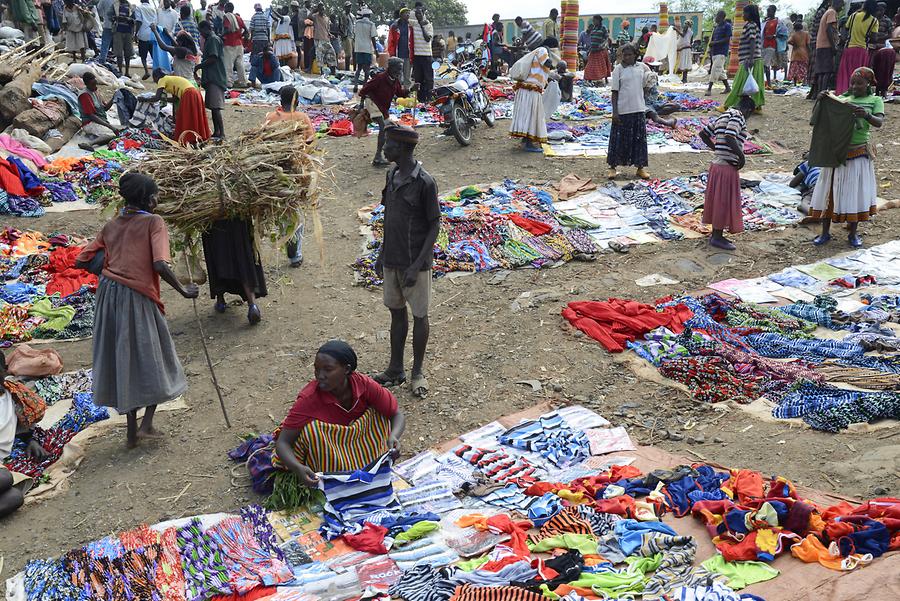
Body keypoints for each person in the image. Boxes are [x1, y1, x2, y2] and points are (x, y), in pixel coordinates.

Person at [75, 173, 198, 448]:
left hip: (109, 295)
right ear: (146, 199)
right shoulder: (154, 222)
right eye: (154, 195)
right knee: (154, 356)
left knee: (124, 357)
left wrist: (111, 266)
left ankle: (132, 432)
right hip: (138, 296)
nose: (157, 200)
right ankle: (146, 425)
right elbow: (160, 265)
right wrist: (183, 290)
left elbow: (82, 258)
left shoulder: (111, 225)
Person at [274, 341, 406, 490]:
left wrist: (393, 436)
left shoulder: (364, 385)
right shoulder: (308, 399)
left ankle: (369, 468)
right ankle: (336, 482)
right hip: (329, 454)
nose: (320, 376)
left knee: (378, 413)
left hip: (358, 444)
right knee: (313, 430)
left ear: (347, 369)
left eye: (328, 369)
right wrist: (298, 468)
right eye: (316, 369)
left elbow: (396, 414)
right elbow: (283, 443)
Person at [372, 125, 439, 399]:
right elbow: (390, 218)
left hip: (414, 263)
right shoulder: (392, 175)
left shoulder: (425, 182)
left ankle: (417, 372)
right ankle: (395, 368)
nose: (384, 148)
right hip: (392, 259)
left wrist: (416, 264)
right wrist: (381, 253)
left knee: (420, 315)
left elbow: (434, 224)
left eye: (388, 145)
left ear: (403, 149)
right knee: (396, 313)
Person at [811, 67, 883, 248]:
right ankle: (825, 233)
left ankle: (853, 233)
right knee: (830, 192)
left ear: (869, 84)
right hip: (835, 152)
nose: (855, 86)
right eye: (852, 83)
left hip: (858, 153)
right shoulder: (842, 99)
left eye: (859, 83)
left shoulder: (875, 100)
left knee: (854, 193)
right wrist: (821, 100)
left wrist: (866, 114)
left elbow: (879, 122)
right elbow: (819, 117)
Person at [264, 86, 314, 268]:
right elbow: (310, 142)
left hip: (273, 171)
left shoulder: (271, 118)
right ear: (297, 101)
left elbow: (262, 141)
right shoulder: (301, 118)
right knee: (295, 211)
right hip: (296, 172)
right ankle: (294, 254)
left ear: (280, 101)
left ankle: (289, 245)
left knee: (281, 210)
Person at [699, 95, 756, 251]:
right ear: (748, 110)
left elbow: (703, 134)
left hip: (717, 165)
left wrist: (716, 149)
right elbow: (730, 136)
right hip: (726, 168)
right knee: (723, 202)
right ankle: (717, 237)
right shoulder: (738, 117)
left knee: (718, 201)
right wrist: (741, 156)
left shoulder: (725, 115)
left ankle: (717, 234)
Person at [360, 57, 414, 166]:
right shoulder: (380, 78)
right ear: (390, 68)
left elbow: (400, 93)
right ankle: (378, 157)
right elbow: (364, 90)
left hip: (383, 108)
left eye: (400, 69)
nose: (399, 72)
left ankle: (389, 153)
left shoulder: (395, 81)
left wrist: (411, 89)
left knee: (390, 127)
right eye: (397, 69)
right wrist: (361, 105)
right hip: (372, 102)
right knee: (383, 127)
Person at [608, 44, 650, 181]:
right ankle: (613, 167)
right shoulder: (618, 70)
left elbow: (646, 86)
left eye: (629, 55)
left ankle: (640, 168)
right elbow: (614, 92)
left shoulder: (642, 68)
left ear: (635, 55)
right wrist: (615, 112)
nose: (626, 57)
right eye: (624, 55)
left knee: (638, 141)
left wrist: (645, 99)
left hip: (638, 109)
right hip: (623, 110)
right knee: (618, 140)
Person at [510, 38, 557, 152]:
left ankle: (526, 140)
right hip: (530, 90)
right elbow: (547, 63)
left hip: (527, 89)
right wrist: (556, 59)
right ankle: (528, 143)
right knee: (531, 116)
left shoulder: (536, 52)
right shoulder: (542, 50)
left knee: (526, 115)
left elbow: (541, 69)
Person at [724, 4, 765, 112]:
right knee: (756, 84)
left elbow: (752, 41)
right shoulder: (754, 25)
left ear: (750, 14)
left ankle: (727, 105)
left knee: (739, 84)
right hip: (755, 59)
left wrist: (750, 58)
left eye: (744, 12)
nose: (743, 15)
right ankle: (757, 106)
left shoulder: (750, 25)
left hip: (749, 60)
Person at [152, 69, 210, 144]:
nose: (155, 82)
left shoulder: (162, 79)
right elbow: (174, 99)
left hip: (188, 94)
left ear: (156, 77)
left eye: (154, 79)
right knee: (195, 116)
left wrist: (143, 99)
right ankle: (197, 137)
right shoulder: (171, 80)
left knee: (185, 117)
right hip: (195, 93)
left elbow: (156, 97)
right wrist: (163, 98)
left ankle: (188, 138)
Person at [837, 0, 877, 94]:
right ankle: (857, 95)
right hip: (862, 51)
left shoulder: (854, 16)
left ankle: (843, 92)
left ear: (864, 5)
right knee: (860, 76)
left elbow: (846, 30)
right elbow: (874, 38)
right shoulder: (874, 21)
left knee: (846, 73)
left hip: (850, 49)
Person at [195, 19, 227, 140]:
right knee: (213, 108)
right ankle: (217, 131)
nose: (201, 34)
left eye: (201, 31)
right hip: (212, 77)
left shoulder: (213, 39)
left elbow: (213, 58)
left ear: (205, 29)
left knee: (216, 107)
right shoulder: (211, 39)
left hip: (215, 77)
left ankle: (222, 133)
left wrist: (199, 66)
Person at [77, 72, 121, 151]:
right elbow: (91, 116)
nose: (95, 86)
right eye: (92, 84)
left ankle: (99, 139)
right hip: (89, 123)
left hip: (98, 121)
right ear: (87, 84)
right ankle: (89, 144)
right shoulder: (85, 95)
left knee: (116, 133)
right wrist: (109, 126)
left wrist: (114, 98)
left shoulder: (95, 92)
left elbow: (104, 108)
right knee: (111, 134)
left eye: (95, 84)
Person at [815, 0, 844, 94]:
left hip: (820, 45)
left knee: (822, 72)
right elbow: (829, 29)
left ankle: (820, 92)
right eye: (842, 5)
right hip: (826, 45)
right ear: (838, 3)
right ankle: (823, 93)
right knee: (827, 71)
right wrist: (833, 46)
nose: (842, 8)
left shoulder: (827, 12)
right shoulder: (832, 12)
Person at [870, 2, 894, 97]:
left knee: (883, 69)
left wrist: (879, 38)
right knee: (873, 68)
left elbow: (890, 34)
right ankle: (875, 90)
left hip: (882, 47)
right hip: (872, 47)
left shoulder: (887, 21)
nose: (880, 11)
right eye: (879, 9)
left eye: (882, 9)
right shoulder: (871, 19)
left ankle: (883, 91)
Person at [221, 3, 248, 87]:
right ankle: (243, 82)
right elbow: (246, 30)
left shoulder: (227, 17)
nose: (224, 10)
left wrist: (220, 36)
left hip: (229, 44)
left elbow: (227, 29)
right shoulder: (239, 18)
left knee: (228, 64)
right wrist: (240, 36)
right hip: (239, 44)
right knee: (240, 64)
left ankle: (229, 83)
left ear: (228, 8)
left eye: (225, 8)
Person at [411, 3, 433, 101]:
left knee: (428, 79)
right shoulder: (413, 23)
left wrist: (422, 26)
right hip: (416, 55)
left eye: (420, 13)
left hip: (426, 55)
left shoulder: (428, 25)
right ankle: (420, 99)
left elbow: (427, 39)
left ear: (423, 13)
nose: (418, 15)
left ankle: (429, 98)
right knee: (418, 79)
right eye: (416, 13)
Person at [706, 11, 732, 96]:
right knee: (720, 70)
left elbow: (727, 39)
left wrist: (715, 43)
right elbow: (712, 39)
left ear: (721, 16)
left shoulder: (727, 26)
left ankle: (709, 88)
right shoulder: (716, 27)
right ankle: (727, 87)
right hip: (715, 52)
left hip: (722, 51)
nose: (715, 18)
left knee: (714, 69)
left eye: (716, 16)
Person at [353, 7, 377, 92]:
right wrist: (376, 51)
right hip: (367, 49)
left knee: (358, 68)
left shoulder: (357, 23)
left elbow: (355, 34)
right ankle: (364, 86)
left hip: (358, 48)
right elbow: (373, 38)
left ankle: (355, 85)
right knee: (367, 70)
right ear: (369, 15)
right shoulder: (371, 24)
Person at [388, 8, 413, 86]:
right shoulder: (395, 26)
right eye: (406, 13)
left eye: (409, 13)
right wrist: (391, 53)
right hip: (398, 54)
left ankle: (406, 92)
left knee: (407, 75)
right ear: (401, 15)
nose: (408, 15)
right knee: (397, 75)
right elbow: (390, 40)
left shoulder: (411, 26)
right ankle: (397, 91)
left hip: (408, 54)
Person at [762, 5, 786, 86]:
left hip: (771, 45)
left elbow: (784, 34)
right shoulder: (765, 21)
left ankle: (768, 83)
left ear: (774, 11)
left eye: (769, 11)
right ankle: (764, 82)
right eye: (767, 11)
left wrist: (774, 36)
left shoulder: (778, 22)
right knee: (762, 64)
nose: (768, 13)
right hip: (763, 44)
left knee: (766, 64)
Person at [111, 0, 135, 78]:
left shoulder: (131, 6)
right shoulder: (115, 5)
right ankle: (120, 71)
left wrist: (128, 20)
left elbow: (134, 20)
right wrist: (115, 18)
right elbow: (110, 16)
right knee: (119, 53)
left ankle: (127, 72)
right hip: (118, 30)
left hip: (128, 31)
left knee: (128, 53)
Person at [133, 0, 157, 80]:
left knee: (143, 56)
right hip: (152, 34)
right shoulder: (153, 8)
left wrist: (136, 34)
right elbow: (155, 22)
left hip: (143, 34)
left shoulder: (139, 8)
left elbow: (139, 21)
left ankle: (146, 71)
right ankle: (156, 73)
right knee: (154, 56)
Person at [584, 15, 611, 85]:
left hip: (600, 51)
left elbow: (606, 38)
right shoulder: (593, 28)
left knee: (602, 66)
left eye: (594, 20)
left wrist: (603, 45)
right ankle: (589, 79)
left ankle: (605, 79)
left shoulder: (603, 28)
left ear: (598, 20)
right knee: (589, 66)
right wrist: (589, 49)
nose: (593, 22)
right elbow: (592, 39)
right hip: (593, 50)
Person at [311, 2, 336, 72]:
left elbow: (327, 30)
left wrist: (330, 34)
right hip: (318, 39)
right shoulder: (315, 16)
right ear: (318, 9)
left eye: (322, 8)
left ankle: (333, 72)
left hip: (326, 39)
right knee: (320, 57)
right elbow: (308, 17)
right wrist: (314, 10)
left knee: (331, 54)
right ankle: (321, 72)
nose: (322, 10)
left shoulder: (326, 18)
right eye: (320, 8)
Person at [673, 19, 693, 84]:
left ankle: (684, 79)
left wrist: (676, 30)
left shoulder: (686, 28)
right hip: (687, 48)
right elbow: (690, 42)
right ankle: (684, 79)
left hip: (685, 48)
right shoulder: (691, 32)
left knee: (684, 63)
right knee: (686, 63)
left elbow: (683, 35)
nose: (684, 26)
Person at [336, 1, 354, 71]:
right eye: (347, 7)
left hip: (352, 35)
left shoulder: (352, 16)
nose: (349, 8)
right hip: (346, 36)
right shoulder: (343, 16)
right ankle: (347, 69)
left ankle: (351, 69)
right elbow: (340, 26)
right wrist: (343, 35)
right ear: (345, 7)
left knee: (352, 53)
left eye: (350, 7)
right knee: (348, 54)